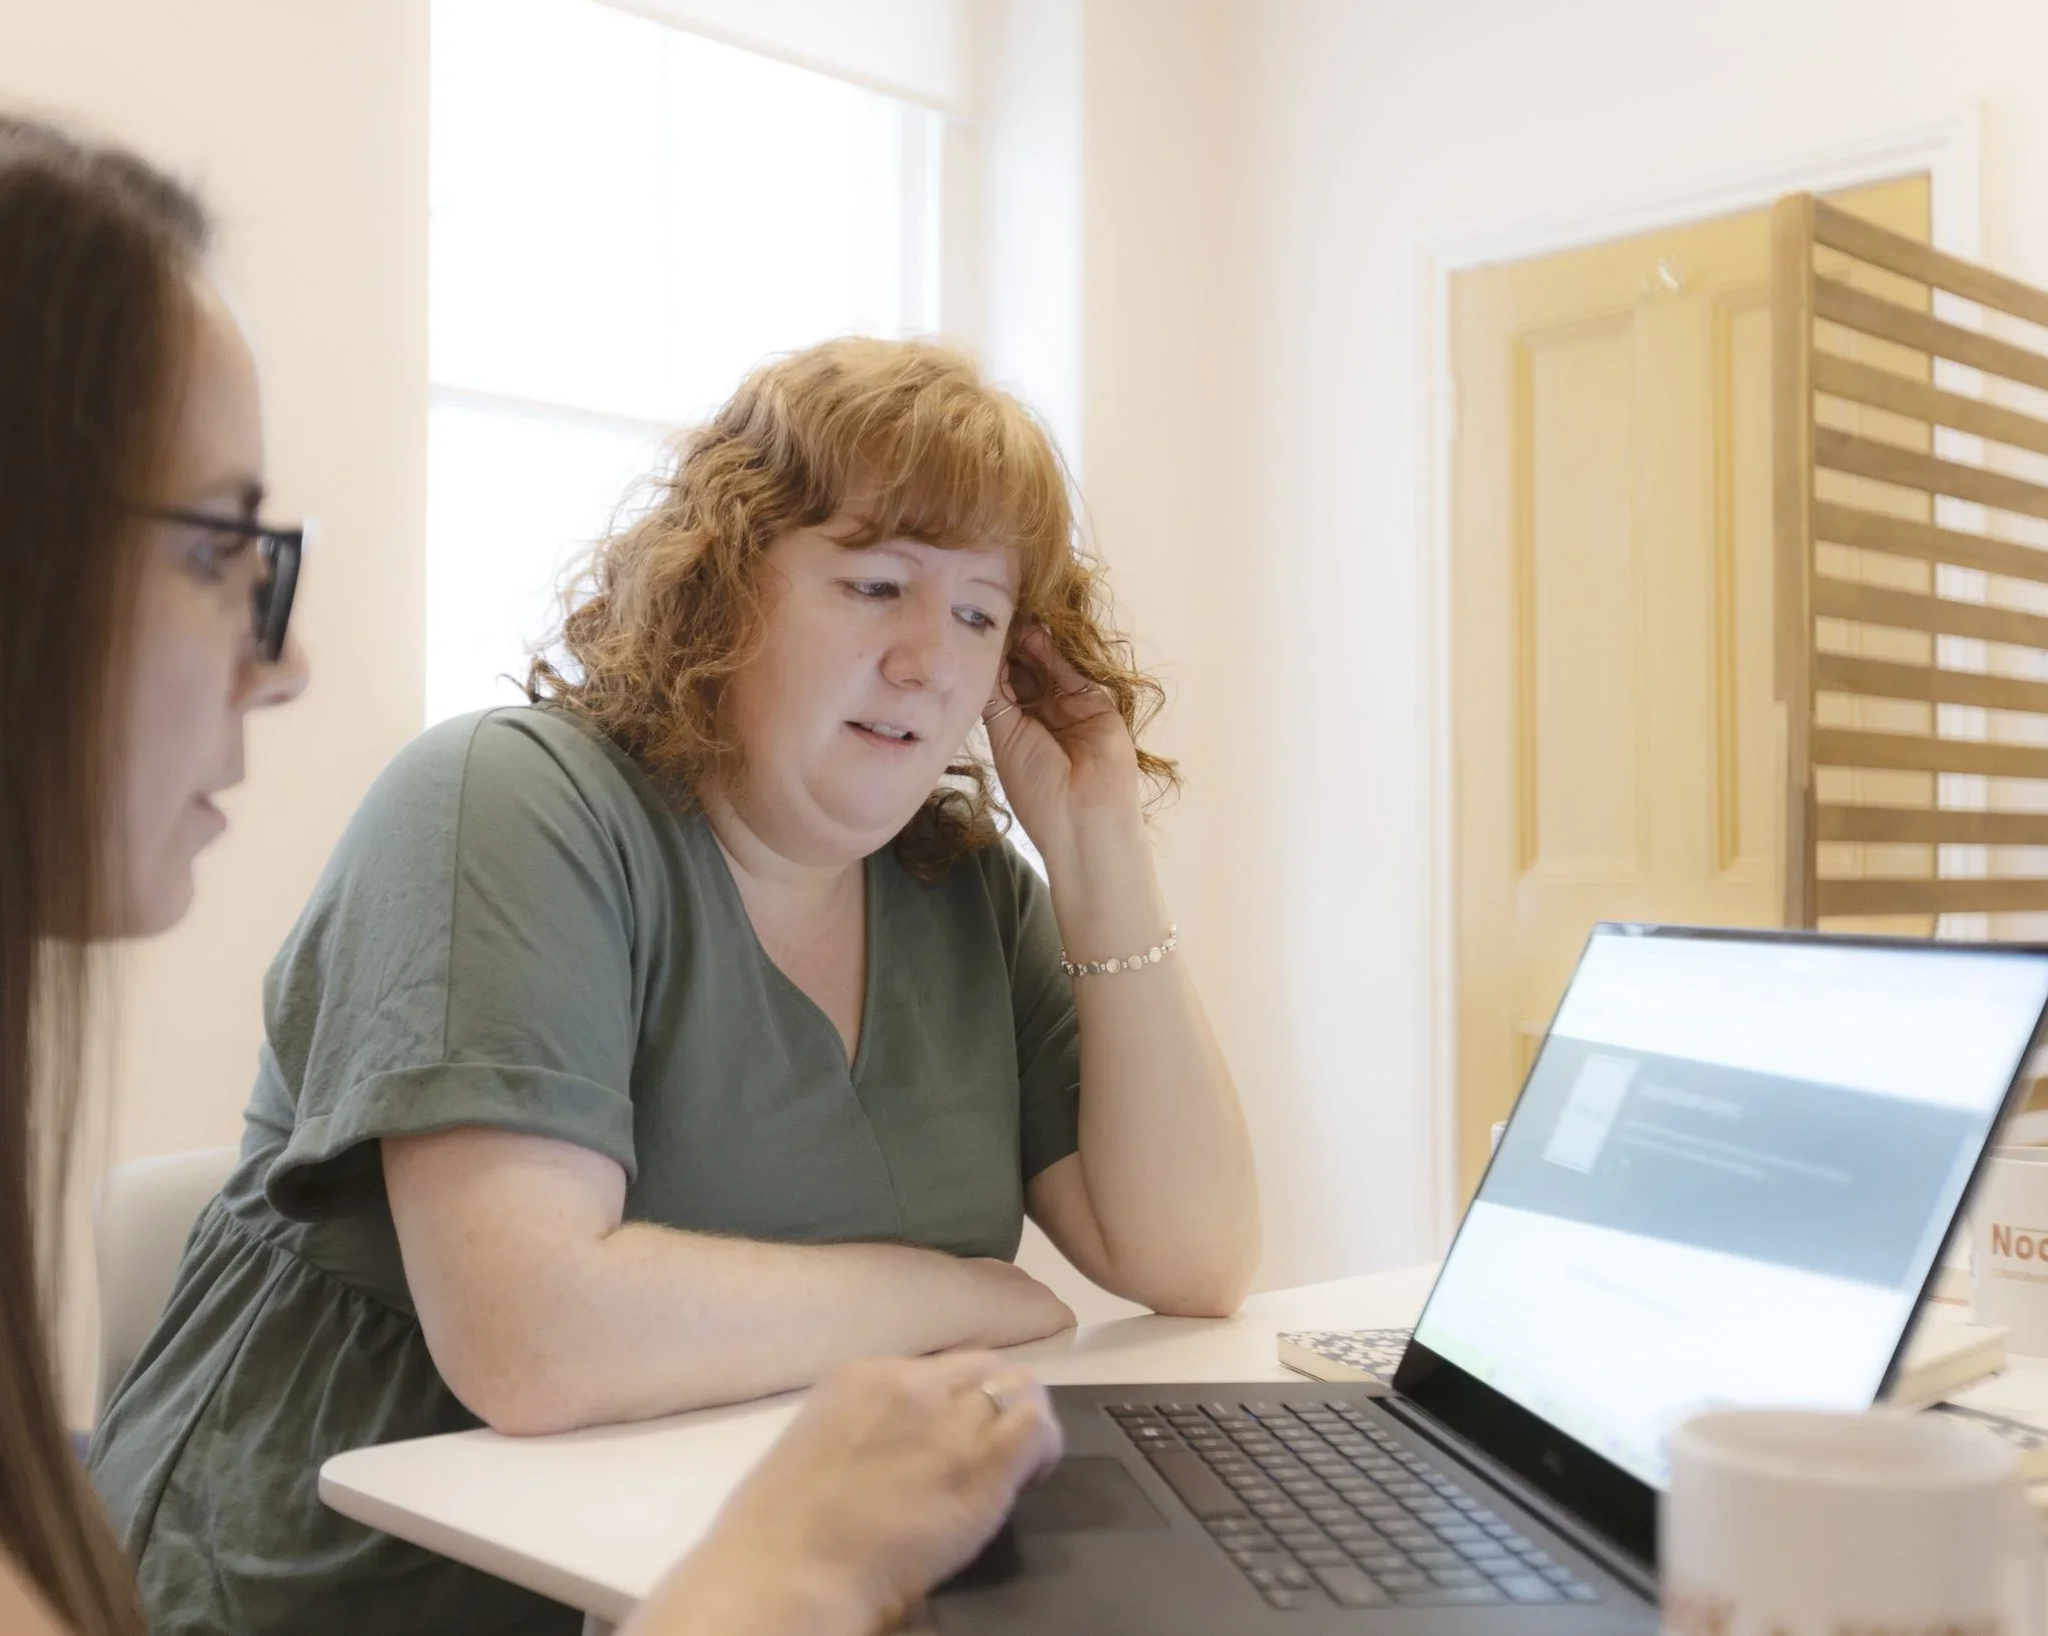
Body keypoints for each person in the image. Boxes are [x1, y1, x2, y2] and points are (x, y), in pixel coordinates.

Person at [0, 94, 1061, 1636]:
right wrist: (792, 1565)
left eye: (976, 614)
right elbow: (536, 1330)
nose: (286, 654)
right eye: (215, 549)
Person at [93, 337, 1262, 1632]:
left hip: (758, 1574)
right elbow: (532, 1336)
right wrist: (957, 1293)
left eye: (981, 615)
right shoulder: (512, 800)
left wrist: (1102, 845)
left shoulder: (967, 890)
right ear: (725, 583)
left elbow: (1192, 1256)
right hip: (361, 1586)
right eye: (879, 584)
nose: (933, 658)